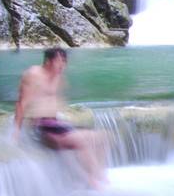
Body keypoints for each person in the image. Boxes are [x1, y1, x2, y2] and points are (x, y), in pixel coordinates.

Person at [14, 48, 106, 186]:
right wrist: (16, 131)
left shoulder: (58, 76)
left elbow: (54, 101)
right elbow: (22, 103)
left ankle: (99, 176)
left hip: (55, 124)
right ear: (48, 61)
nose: (62, 64)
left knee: (102, 138)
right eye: (59, 61)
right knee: (81, 141)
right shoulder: (33, 74)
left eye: (64, 61)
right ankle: (91, 182)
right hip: (41, 127)